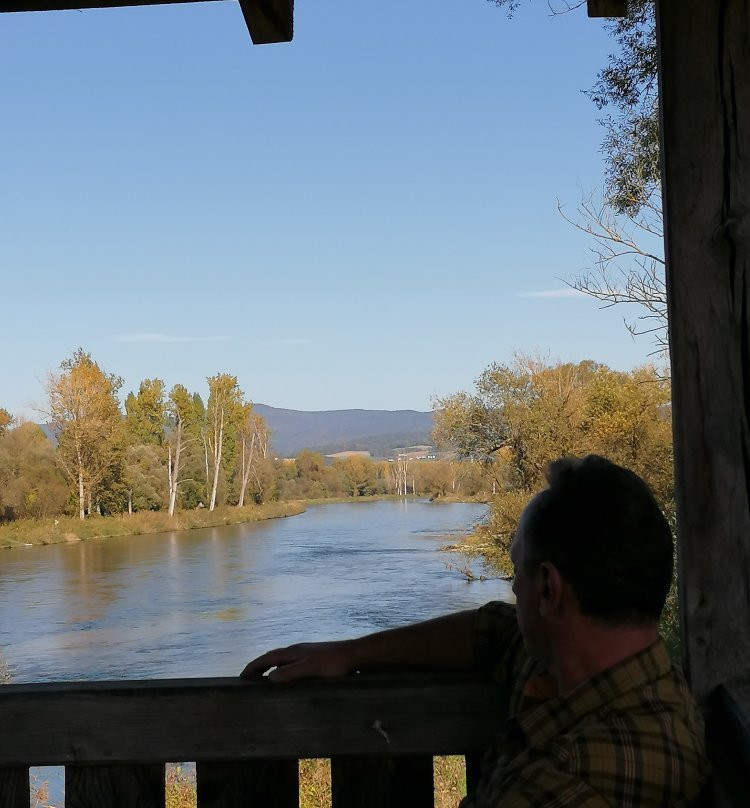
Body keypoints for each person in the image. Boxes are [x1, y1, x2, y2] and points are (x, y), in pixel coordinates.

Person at [241, 455, 708, 807]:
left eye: (515, 574)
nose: (511, 589)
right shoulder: (625, 678)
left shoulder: (564, 783)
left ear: (547, 588)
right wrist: (349, 653)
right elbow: (490, 629)